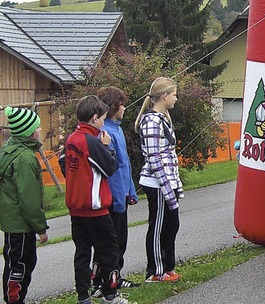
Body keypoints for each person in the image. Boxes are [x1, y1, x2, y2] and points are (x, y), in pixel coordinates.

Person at [59, 96, 126, 304]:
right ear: (95, 117)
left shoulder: (71, 138)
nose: (103, 123)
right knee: (109, 252)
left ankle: (82, 296)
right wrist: (106, 146)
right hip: (95, 208)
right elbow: (110, 167)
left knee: (82, 254)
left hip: (76, 208)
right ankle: (110, 294)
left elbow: (64, 164)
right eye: (102, 119)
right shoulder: (91, 141)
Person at [0, 107, 48, 304]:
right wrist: (41, 228)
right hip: (20, 223)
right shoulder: (25, 158)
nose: (40, 130)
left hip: (15, 222)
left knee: (21, 261)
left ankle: (17, 298)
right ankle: (14, 300)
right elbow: (29, 199)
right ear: (29, 132)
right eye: (37, 127)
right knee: (20, 264)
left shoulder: (11, 148)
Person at [90, 87, 140, 297]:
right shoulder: (106, 132)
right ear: (113, 107)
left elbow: (125, 164)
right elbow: (111, 168)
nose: (125, 107)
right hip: (111, 197)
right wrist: (118, 196)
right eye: (122, 104)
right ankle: (101, 283)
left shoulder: (117, 128)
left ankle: (115, 276)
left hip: (123, 192)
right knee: (109, 242)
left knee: (121, 240)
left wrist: (131, 190)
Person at [135, 77, 184, 281]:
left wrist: (175, 188)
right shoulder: (152, 121)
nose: (176, 98)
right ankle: (155, 271)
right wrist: (166, 189)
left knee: (172, 225)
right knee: (158, 227)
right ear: (164, 96)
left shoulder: (164, 118)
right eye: (173, 94)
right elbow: (154, 158)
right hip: (157, 184)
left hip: (168, 182)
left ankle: (168, 266)